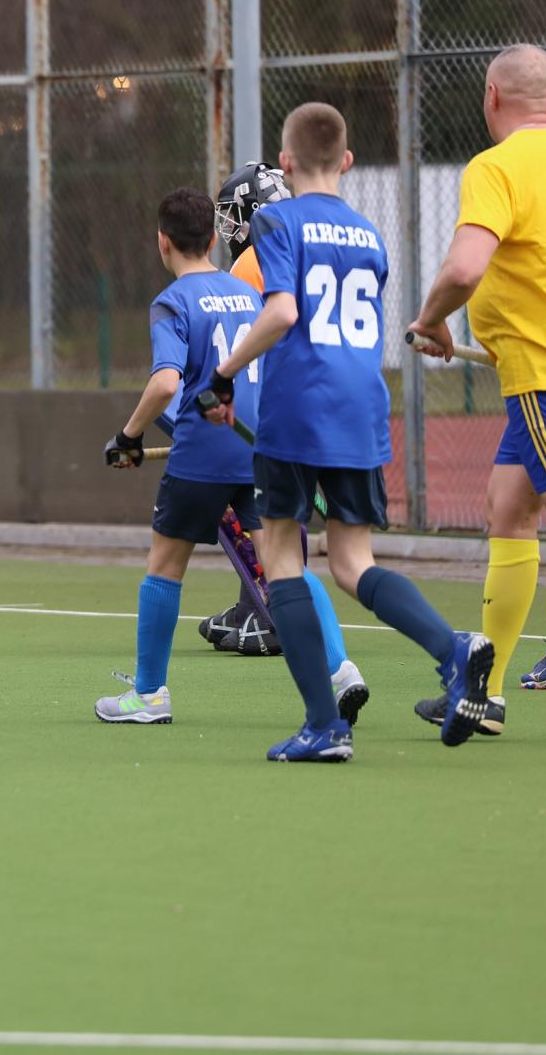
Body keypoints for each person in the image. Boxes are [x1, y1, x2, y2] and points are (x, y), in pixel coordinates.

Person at [203, 102, 491, 761]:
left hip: (298, 407)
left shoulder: (276, 221)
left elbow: (283, 312)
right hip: (362, 406)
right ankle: (453, 649)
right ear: (348, 161)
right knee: (355, 562)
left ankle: (323, 726)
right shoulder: (368, 233)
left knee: (283, 559)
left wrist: (223, 374)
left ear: (286, 162)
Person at [97, 189, 366, 725]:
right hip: (258, 447)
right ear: (213, 239)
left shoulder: (172, 302)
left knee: (165, 566)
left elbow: (166, 383)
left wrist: (128, 435)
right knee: (285, 564)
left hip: (201, 454)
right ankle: (341, 669)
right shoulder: (247, 293)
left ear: (163, 242)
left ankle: (148, 695)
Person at [407, 43, 546, 721]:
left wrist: (430, 318)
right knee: (508, 507)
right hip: (531, 377)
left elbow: (466, 267)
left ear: (492, 97)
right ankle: (484, 692)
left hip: (544, 376)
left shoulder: (496, 167)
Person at [197, 160, 358, 684]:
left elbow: (245, 339)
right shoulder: (314, 239)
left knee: (240, 497)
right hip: (337, 391)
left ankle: (270, 606)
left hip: (279, 397)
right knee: (282, 508)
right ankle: (255, 603)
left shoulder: (251, 260)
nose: (229, 226)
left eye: (232, 213)